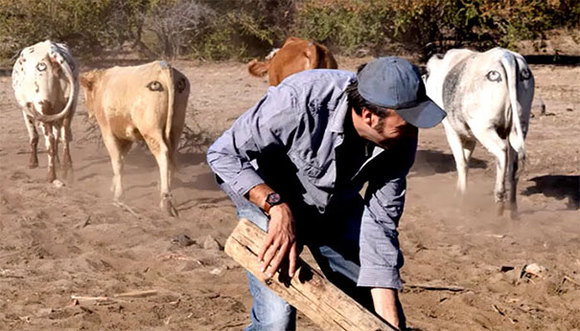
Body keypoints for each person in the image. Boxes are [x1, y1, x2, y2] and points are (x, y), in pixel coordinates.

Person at [207, 56, 446, 330]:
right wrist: (276, 206)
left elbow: (380, 226)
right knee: (276, 319)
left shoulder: (400, 141)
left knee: (370, 313)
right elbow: (223, 154)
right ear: (369, 116)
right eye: (405, 125)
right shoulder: (300, 99)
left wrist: (389, 324)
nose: (412, 134)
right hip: (268, 200)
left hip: (335, 206)